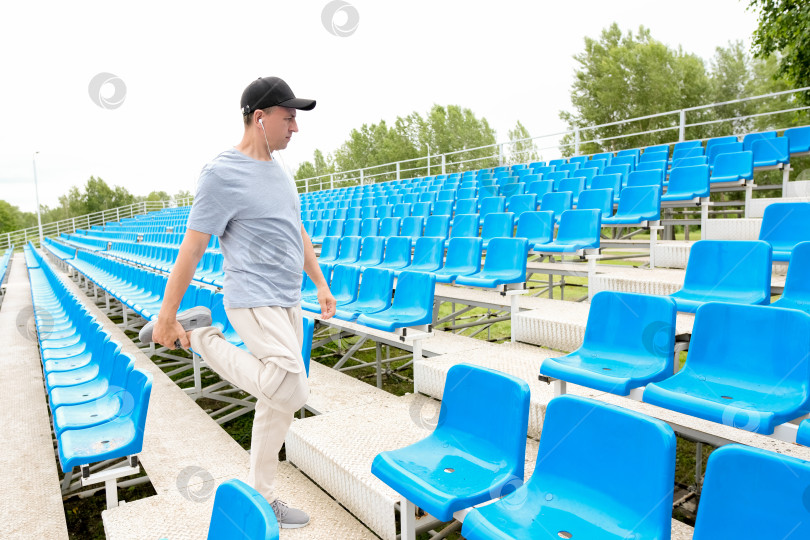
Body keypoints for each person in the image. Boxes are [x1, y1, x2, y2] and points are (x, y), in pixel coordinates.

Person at [140, 76, 335, 528]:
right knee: (292, 386)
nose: (296, 128)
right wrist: (167, 316)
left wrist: (320, 283)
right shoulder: (221, 173)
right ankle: (203, 334)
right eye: (289, 118)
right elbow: (192, 248)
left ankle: (262, 498)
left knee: (277, 402)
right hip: (252, 300)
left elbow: (297, 231)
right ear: (260, 118)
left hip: (288, 300)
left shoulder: (281, 171)